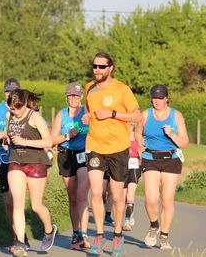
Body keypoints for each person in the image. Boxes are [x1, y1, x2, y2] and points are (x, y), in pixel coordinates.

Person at [82, 52, 142, 256]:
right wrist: (86, 116)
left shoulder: (122, 89)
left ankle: (117, 236)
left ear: (110, 68)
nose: (97, 70)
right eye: (95, 66)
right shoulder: (89, 87)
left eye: (101, 67)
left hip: (118, 148)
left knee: (117, 197)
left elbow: (137, 115)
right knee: (96, 193)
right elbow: (88, 110)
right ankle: (99, 234)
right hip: (95, 145)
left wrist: (113, 114)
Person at [135, 84, 189, 250]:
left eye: (160, 98)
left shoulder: (176, 116)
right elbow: (138, 132)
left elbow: (185, 142)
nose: (157, 101)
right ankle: (153, 226)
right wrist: (139, 142)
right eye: (154, 98)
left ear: (167, 98)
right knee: (151, 198)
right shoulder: (145, 114)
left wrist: (171, 134)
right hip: (150, 157)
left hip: (171, 158)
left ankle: (164, 236)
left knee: (167, 200)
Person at [5, 89, 57, 257]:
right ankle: (20, 243)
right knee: (17, 202)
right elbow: (9, 136)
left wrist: (25, 141)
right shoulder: (9, 117)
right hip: (16, 161)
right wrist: (6, 140)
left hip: (36, 162)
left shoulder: (34, 117)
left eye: (18, 108)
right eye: (12, 108)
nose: (15, 112)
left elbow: (48, 141)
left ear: (25, 104)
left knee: (36, 205)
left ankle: (49, 230)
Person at [0, 78, 30, 250]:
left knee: (19, 199)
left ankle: (20, 239)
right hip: (3, 160)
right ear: (4, 92)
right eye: (8, 92)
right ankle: (20, 236)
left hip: (23, 159)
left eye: (14, 92)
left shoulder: (26, 109)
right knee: (9, 202)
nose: (11, 95)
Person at [51, 82, 90, 249]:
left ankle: (85, 234)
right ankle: (76, 232)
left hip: (84, 155)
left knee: (82, 195)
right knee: (73, 198)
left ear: (81, 96)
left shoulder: (87, 112)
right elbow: (52, 139)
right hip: (66, 156)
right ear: (66, 97)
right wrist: (67, 135)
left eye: (76, 95)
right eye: (70, 96)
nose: (73, 99)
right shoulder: (61, 114)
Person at [123, 122, 141, 231]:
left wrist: (140, 153)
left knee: (130, 193)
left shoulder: (138, 137)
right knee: (122, 195)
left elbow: (144, 153)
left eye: (129, 124)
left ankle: (127, 221)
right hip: (123, 167)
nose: (128, 126)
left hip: (135, 166)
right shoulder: (121, 137)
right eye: (126, 124)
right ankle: (130, 212)